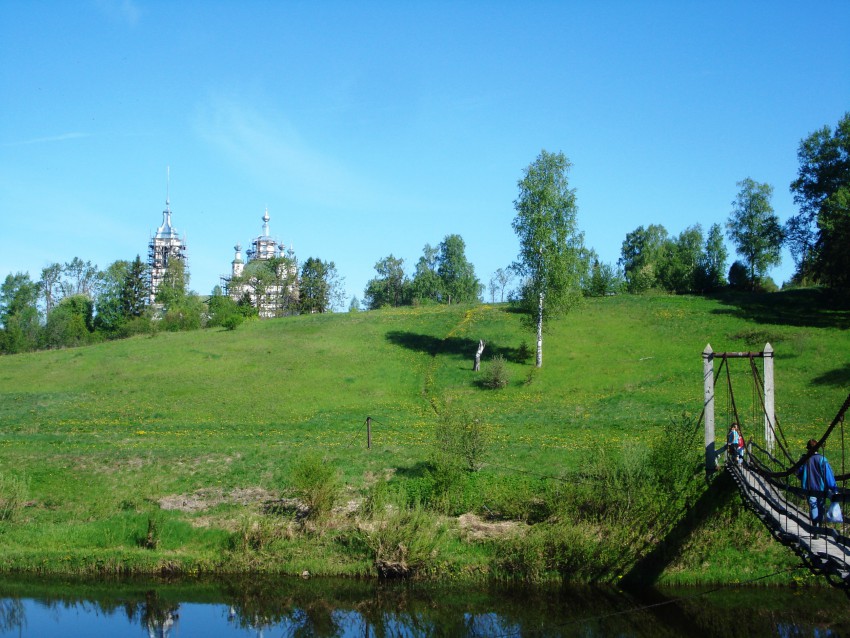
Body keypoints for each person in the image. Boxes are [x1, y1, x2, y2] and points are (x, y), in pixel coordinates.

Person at [797, 439, 838, 536]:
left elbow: (798, 473)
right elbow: (828, 475)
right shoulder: (822, 459)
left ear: (808, 448)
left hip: (809, 488)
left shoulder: (804, 459)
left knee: (813, 507)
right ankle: (818, 527)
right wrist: (834, 488)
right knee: (820, 506)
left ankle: (815, 528)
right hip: (821, 488)